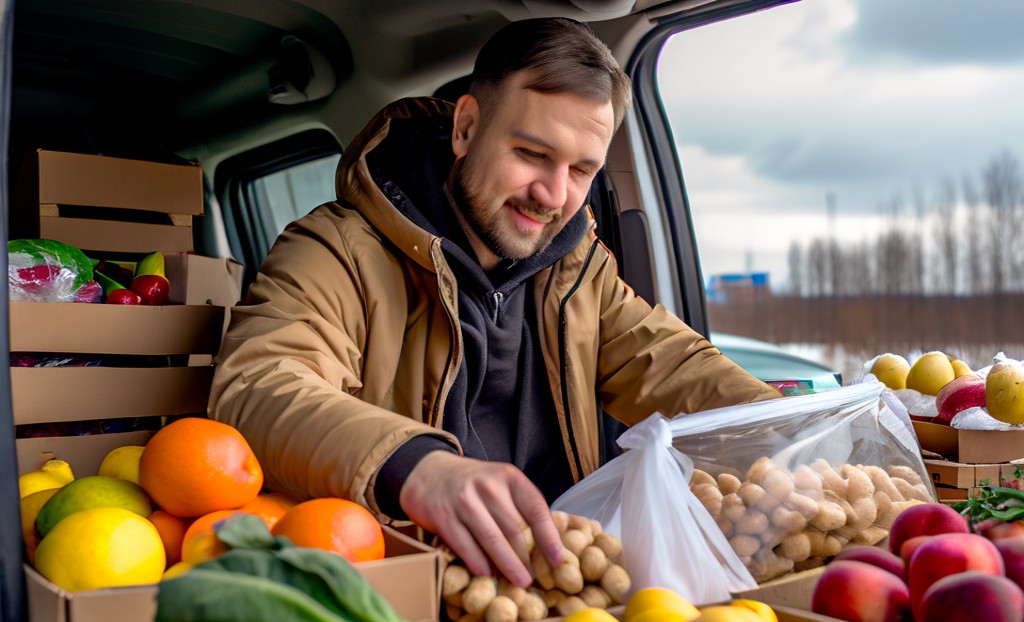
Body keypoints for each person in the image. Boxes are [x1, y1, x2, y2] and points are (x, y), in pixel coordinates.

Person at [208, 17, 781, 589]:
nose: (554, 196)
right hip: (416, 594)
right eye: (532, 154)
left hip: (572, 583)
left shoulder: (579, 271)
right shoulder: (335, 249)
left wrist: (796, 434)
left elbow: (676, 366)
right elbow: (259, 385)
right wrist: (419, 466)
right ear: (465, 127)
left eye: (581, 169)